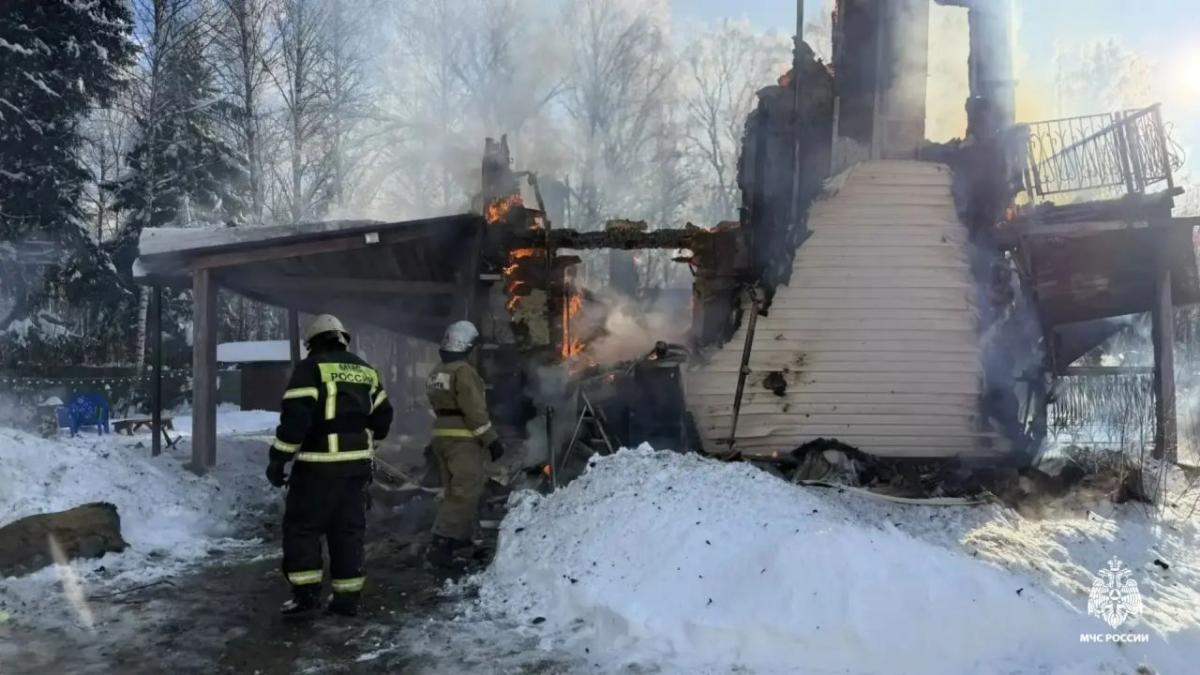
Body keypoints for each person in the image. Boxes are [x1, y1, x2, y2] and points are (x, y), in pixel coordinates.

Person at [265, 314, 393, 619]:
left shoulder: (310, 368)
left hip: (317, 468)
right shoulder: (366, 370)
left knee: (303, 529)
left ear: (313, 343)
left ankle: (307, 597)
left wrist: (278, 459)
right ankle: (347, 598)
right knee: (348, 530)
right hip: (357, 468)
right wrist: (365, 443)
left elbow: (296, 420)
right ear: (342, 339)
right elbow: (384, 417)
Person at [425, 320, 505, 569]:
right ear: (466, 345)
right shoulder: (464, 371)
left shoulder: (438, 371)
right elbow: (474, 410)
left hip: (442, 436)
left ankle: (463, 540)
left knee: (455, 490)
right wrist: (491, 439)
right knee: (465, 491)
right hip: (462, 438)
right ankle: (441, 544)